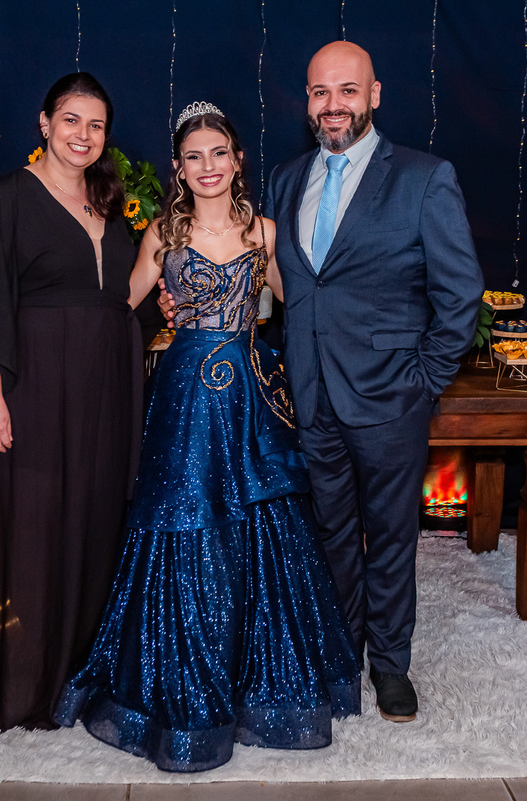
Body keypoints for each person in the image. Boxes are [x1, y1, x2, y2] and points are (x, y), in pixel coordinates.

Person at [161, 42, 483, 722]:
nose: (332, 105)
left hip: (391, 395)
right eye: (319, 92)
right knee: (329, 534)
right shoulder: (286, 179)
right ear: (307, 102)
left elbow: (460, 296)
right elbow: (273, 284)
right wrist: (183, 297)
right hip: (306, 395)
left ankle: (389, 664)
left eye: (346, 90)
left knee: (390, 536)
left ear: (374, 95)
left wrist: (424, 379)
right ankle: (339, 654)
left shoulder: (425, 178)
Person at [55, 104, 361, 773]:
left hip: (250, 391)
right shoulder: (163, 233)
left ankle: (259, 680)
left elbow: (303, 305)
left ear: (237, 159)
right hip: (185, 396)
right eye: (194, 157)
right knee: (184, 519)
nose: (208, 167)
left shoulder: (265, 231)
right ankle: (182, 677)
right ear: (179, 168)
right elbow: (116, 308)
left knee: (260, 522)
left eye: (219, 153)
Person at [0, 73, 142, 733]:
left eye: (96, 125)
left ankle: (85, 671)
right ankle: (30, 677)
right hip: (35, 389)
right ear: (44, 123)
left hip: (107, 392)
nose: (83, 135)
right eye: (71, 120)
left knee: (98, 523)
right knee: (36, 529)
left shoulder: (108, 202)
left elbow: (118, 300)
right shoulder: (5, 199)